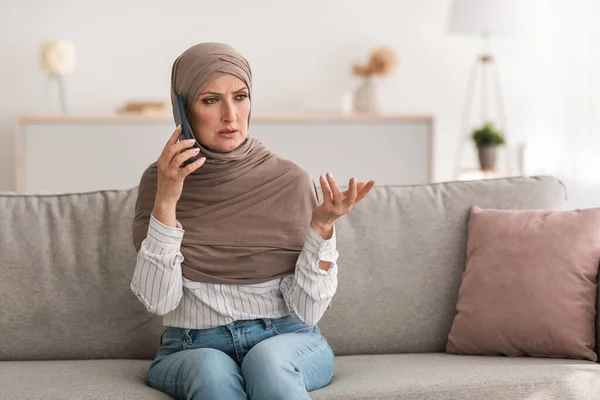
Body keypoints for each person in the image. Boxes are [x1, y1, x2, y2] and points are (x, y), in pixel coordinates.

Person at [130, 42, 375, 400]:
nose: (231, 115)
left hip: (287, 340)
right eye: (210, 100)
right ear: (183, 110)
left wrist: (321, 230)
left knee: (267, 362)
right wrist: (168, 197)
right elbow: (158, 302)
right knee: (211, 371)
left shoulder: (289, 180)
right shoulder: (159, 181)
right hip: (190, 347)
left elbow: (307, 311)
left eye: (240, 97)